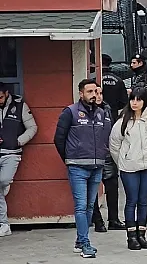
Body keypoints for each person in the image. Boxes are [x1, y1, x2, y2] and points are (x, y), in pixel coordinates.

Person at [54, 79, 110, 258]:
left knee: (90, 207)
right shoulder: (70, 112)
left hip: (97, 166)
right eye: (89, 91)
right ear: (81, 93)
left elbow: (105, 138)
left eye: (96, 91)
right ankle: (85, 244)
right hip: (77, 167)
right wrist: (69, 159)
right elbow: (59, 139)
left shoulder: (101, 113)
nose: (94, 95)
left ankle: (80, 241)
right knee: (81, 206)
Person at [110, 87, 147, 251]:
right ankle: (131, 236)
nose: (135, 103)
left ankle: (142, 234)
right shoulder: (122, 121)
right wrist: (123, 161)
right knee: (131, 200)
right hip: (128, 167)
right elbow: (114, 145)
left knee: (143, 200)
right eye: (132, 99)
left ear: (144, 101)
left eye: (138, 99)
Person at [0, 82, 38, 237]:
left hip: (11, 152)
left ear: (6, 93)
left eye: (0, 97)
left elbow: (32, 127)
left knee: (3, 181)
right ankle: (3, 224)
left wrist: (18, 141)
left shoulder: (19, 105)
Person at [91, 86, 124, 233]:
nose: (98, 96)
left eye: (100, 93)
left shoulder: (107, 109)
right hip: (92, 155)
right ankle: (97, 220)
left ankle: (113, 220)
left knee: (112, 188)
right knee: (92, 189)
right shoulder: (84, 111)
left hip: (107, 154)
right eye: (95, 93)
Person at [99, 54, 128, 122]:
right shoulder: (119, 80)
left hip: (99, 115)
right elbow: (124, 101)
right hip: (114, 115)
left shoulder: (95, 80)